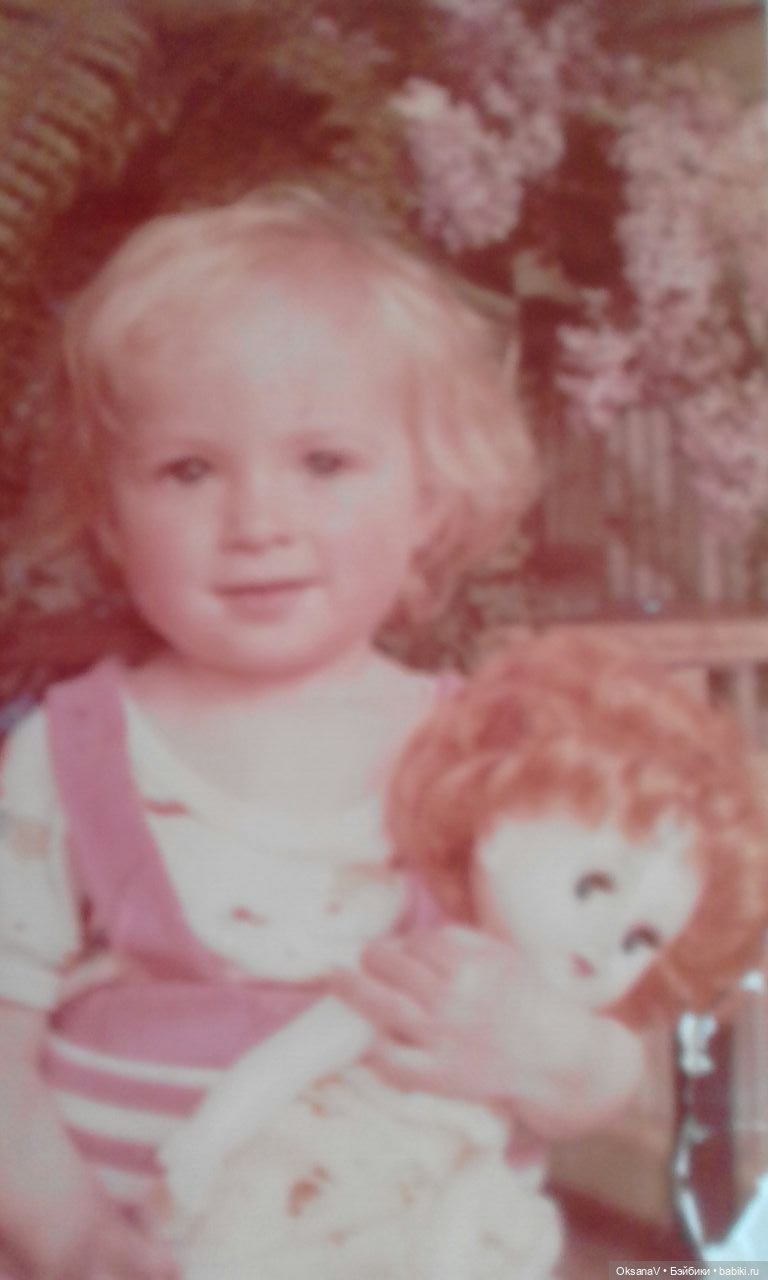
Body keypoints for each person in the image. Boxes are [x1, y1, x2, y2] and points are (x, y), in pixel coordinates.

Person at [0, 185, 554, 1280]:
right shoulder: (64, 757)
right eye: (189, 470)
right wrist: (68, 1236)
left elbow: (583, 1044)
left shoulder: (483, 762)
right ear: (110, 514)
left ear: (429, 499)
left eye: (324, 462)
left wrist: (561, 1057)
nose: (257, 522)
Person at [151, 633, 768, 1280]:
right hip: (326, 1193)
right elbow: (308, 1047)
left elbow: (597, 1077)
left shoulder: (554, 1022)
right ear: (496, 831)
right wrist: (203, 1145)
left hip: (453, 1216)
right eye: (591, 887)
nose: (605, 942)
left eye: (641, 940)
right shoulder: (437, 967)